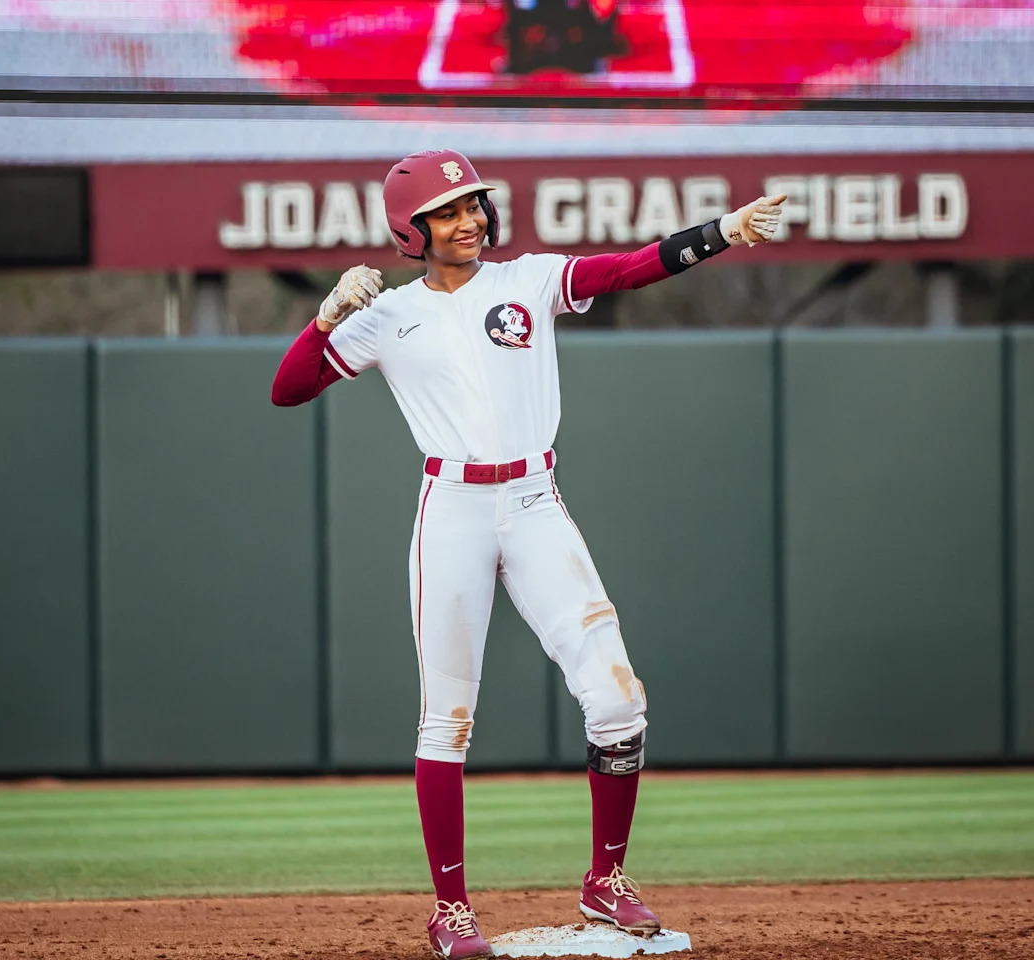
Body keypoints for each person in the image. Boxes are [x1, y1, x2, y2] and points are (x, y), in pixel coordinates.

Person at [271, 149, 785, 960]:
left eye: (475, 204)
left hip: (535, 501)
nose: (471, 219)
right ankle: (452, 910)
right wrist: (328, 314)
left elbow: (624, 270)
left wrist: (720, 232)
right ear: (413, 229)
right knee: (447, 719)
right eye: (449, 211)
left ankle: (605, 883)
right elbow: (288, 387)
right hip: (454, 509)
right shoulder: (389, 314)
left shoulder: (527, 281)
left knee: (618, 699)